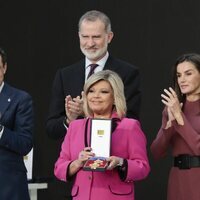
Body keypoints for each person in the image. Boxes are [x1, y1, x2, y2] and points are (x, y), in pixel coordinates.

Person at [54, 70, 150, 200]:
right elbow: (59, 167)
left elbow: (142, 168)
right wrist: (78, 163)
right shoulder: (75, 127)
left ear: (115, 97)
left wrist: (120, 162)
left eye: (104, 92)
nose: (96, 96)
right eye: (91, 91)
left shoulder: (129, 126)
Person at [46, 10, 141, 140]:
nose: (90, 43)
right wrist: (69, 120)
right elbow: (51, 129)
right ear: (79, 36)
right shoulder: (65, 75)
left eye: (96, 37)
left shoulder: (127, 73)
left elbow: (131, 121)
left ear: (109, 37)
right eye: (85, 37)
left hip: (112, 154)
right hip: (75, 157)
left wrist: (88, 112)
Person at [150, 53, 200, 200]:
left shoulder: (177, 111)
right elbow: (156, 152)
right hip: (177, 180)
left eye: (188, 74)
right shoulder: (172, 108)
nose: (182, 80)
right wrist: (170, 125)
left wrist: (180, 118)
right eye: (179, 75)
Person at [0, 47, 33, 200]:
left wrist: (0, 130)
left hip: (8, 186)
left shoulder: (20, 99)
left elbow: (25, 144)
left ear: (4, 68)